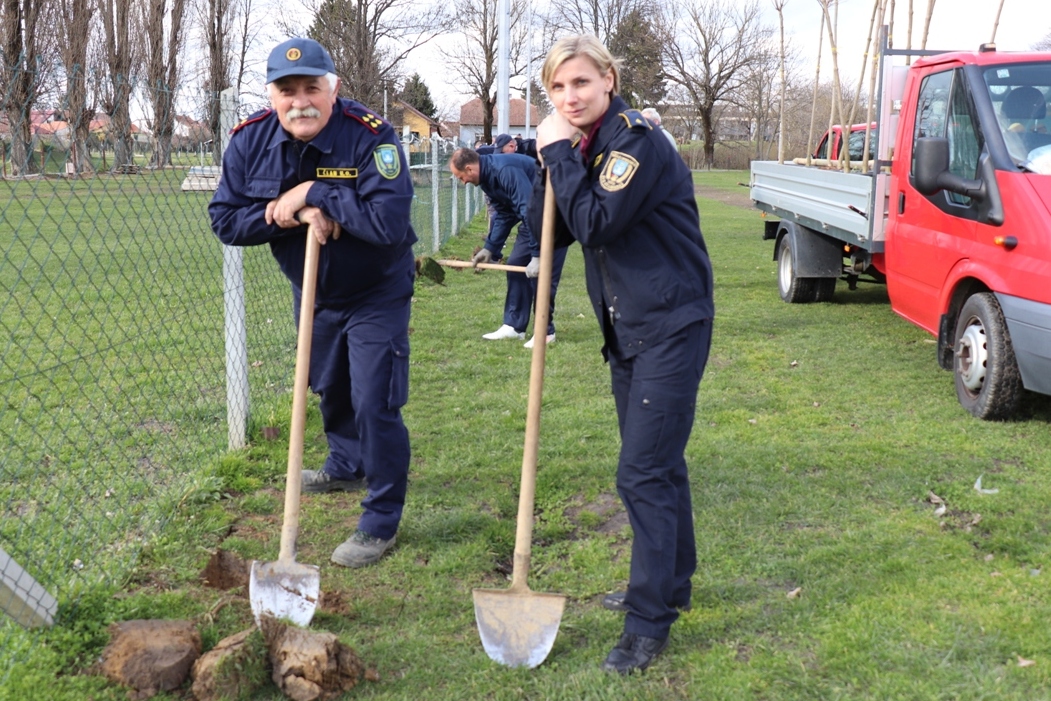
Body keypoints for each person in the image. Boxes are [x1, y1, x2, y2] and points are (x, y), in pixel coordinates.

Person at [529, 35, 714, 674]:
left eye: (580, 83)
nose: (569, 97)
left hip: (670, 324)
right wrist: (548, 159)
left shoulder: (634, 142)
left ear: (608, 79)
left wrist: (559, 150)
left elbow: (598, 223)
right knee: (660, 467)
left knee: (641, 473)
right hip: (628, 330)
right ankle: (671, 586)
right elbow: (548, 225)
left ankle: (647, 622)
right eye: (557, 88)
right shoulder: (583, 147)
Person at [209, 37, 415, 569]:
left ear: (334, 89)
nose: (300, 101)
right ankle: (345, 464)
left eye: (312, 88)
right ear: (271, 95)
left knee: (375, 399)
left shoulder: (374, 138)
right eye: (287, 90)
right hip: (315, 292)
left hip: (377, 291)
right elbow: (226, 220)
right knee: (331, 386)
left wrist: (315, 193)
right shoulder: (249, 141)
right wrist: (287, 212)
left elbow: (388, 224)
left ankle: (379, 520)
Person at [449, 147, 568, 347]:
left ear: (469, 169)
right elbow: (505, 214)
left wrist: (538, 255)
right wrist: (490, 248)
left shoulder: (505, 171)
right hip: (535, 215)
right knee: (516, 264)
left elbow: (531, 210)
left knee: (542, 274)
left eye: (461, 177)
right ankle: (514, 326)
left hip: (557, 216)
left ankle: (545, 333)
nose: (464, 182)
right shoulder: (487, 179)